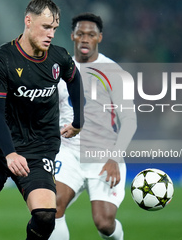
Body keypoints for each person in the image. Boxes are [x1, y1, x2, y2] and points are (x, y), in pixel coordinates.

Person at [0, 0, 84, 240]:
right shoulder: (2, 59)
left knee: (45, 216)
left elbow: (76, 81)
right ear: (28, 21)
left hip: (38, 149)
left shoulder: (59, 58)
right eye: (46, 27)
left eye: (54, 28)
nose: (51, 34)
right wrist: (10, 153)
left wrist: (78, 122)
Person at [49, 13, 137, 240]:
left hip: (104, 154)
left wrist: (115, 158)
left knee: (104, 223)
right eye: (80, 34)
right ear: (72, 36)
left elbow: (129, 120)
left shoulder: (114, 72)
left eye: (91, 35)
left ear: (99, 37)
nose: (85, 39)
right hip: (68, 151)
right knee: (51, 208)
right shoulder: (57, 70)